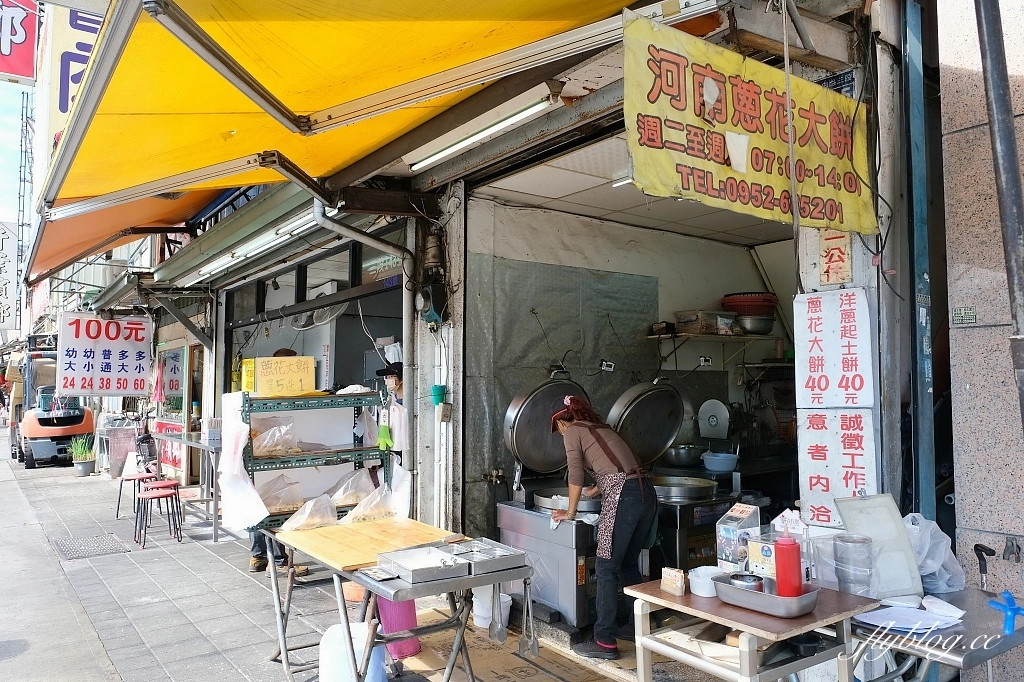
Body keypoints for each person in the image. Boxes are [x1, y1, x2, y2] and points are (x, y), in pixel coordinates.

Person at [550, 396, 657, 660]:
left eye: (559, 429)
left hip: (623, 496)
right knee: (629, 564)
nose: (561, 434)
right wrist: (595, 489)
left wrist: (571, 511)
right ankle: (638, 626)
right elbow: (619, 466)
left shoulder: (573, 431)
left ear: (565, 422)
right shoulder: (603, 429)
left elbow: (575, 473)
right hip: (646, 493)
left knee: (606, 566)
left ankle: (604, 641)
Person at [249, 347, 309, 576]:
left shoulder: (264, 392)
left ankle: (259, 557)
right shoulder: (267, 392)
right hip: (267, 459)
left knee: (262, 506)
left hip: (265, 458)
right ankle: (280, 560)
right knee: (271, 508)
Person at [375, 362, 408, 457]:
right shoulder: (390, 399)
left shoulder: (408, 402)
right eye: (387, 377)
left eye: (391, 376)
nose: (388, 380)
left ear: (401, 379)